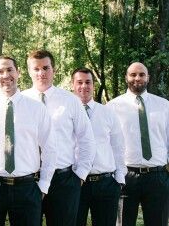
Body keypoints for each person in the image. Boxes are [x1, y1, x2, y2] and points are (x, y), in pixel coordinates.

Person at [22, 49, 95, 226]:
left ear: (53, 70)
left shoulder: (70, 100)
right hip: (28, 181)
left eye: (46, 68)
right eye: (36, 68)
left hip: (63, 181)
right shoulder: (21, 101)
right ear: (29, 71)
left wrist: (80, 176)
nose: (41, 73)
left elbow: (86, 139)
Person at [0, 56, 56, 226]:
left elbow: (50, 148)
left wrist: (43, 186)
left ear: (18, 73)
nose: (5, 75)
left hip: (27, 187)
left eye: (10, 70)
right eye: (0, 71)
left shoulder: (36, 108)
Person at [108, 62, 169, 226]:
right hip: (126, 176)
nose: (137, 78)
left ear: (148, 77)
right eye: (133, 74)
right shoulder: (112, 107)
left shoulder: (164, 106)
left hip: (158, 177)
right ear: (126, 77)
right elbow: (107, 144)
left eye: (142, 74)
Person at [71, 68, 126, 226]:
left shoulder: (107, 113)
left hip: (106, 183)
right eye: (79, 82)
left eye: (88, 82)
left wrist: (119, 179)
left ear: (93, 85)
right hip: (76, 182)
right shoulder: (66, 113)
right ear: (73, 85)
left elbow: (118, 147)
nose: (84, 86)